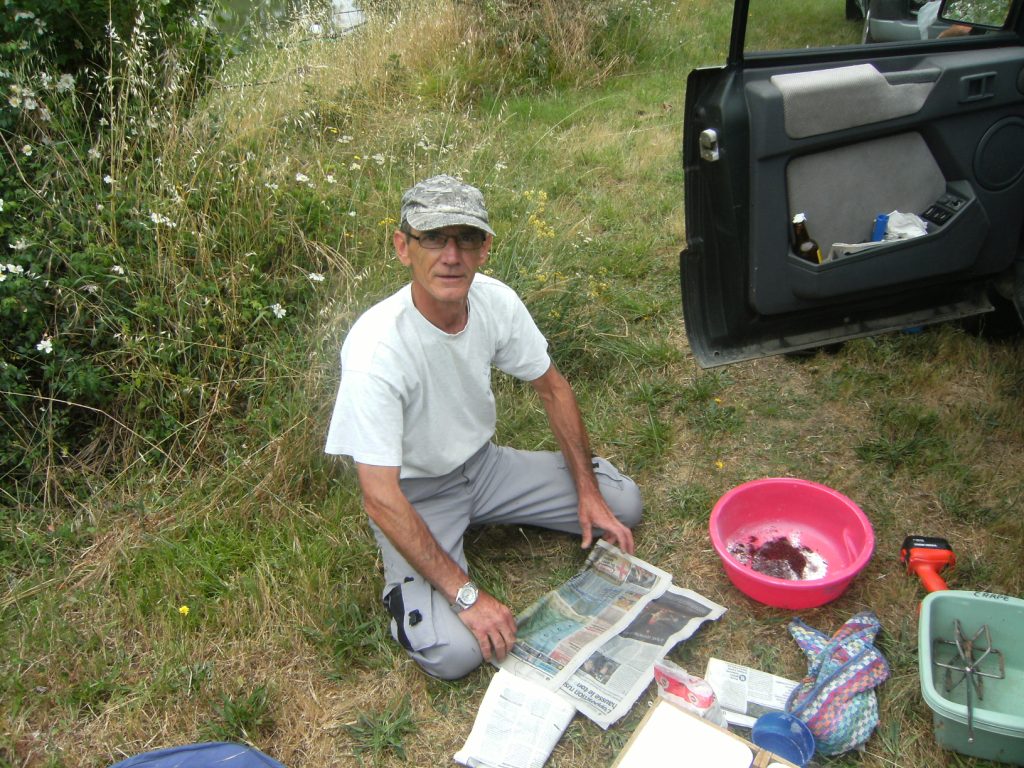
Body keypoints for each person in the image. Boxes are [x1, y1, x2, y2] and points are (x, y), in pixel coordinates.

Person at [325, 175, 643, 680]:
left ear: (485, 248)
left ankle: (537, 504)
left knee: (622, 504)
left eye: (466, 238)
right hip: (416, 495)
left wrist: (588, 491)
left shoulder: (495, 301)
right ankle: (405, 589)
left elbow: (553, 388)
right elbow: (379, 496)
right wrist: (467, 596)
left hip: (485, 466)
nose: (451, 255)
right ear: (403, 247)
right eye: (433, 238)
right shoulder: (376, 349)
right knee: (455, 653)